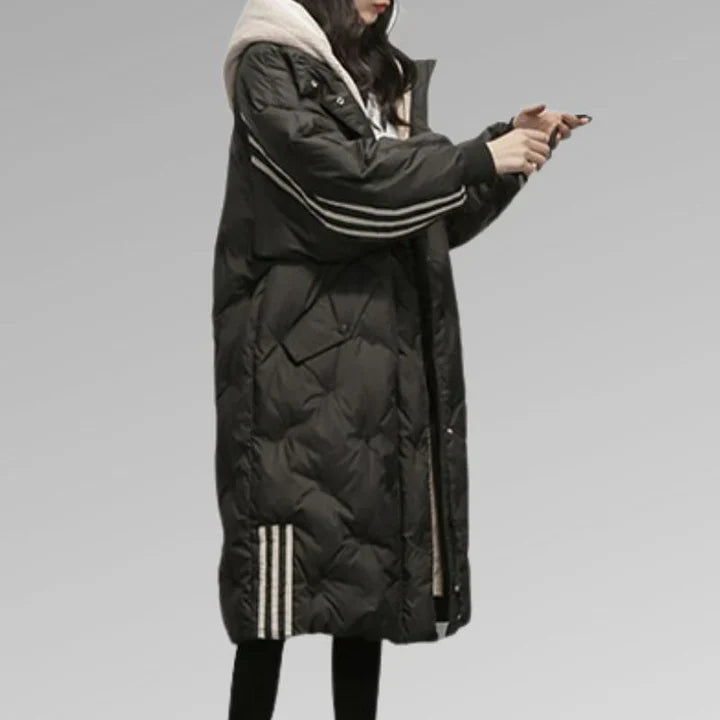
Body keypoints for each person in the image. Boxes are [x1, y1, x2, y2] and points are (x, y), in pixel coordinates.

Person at [212, 0, 591, 717]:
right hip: (291, 381)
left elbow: (426, 216)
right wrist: (477, 157)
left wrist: (511, 153)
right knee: (272, 605)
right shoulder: (270, 64)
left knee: (366, 596)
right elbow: (340, 188)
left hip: (377, 376)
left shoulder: (370, 79)